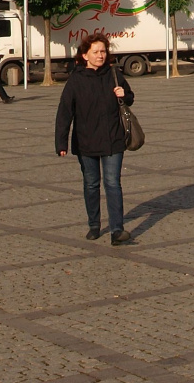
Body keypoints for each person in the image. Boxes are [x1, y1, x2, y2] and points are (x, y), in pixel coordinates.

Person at [55, 32, 134, 244]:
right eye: (96, 52)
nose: (101, 55)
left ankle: (117, 230)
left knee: (112, 183)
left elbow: (130, 97)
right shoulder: (76, 80)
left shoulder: (114, 74)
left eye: (103, 51)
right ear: (85, 55)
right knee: (91, 184)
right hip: (86, 141)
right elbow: (65, 112)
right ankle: (94, 224)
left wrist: (123, 95)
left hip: (113, 139)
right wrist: (61, 142)